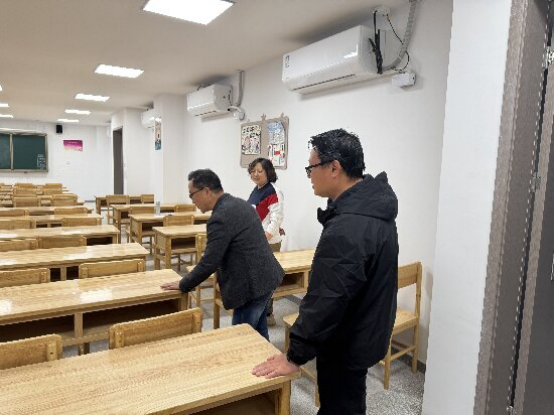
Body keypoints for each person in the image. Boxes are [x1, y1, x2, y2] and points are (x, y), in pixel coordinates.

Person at [252, 129, 399, 414]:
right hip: (366, 329)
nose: (309, 175)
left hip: (347, 340)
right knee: (349, 400)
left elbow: (327, 298)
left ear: (334, 168)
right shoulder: (373, 208)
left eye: (311, 167)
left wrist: (294, 356)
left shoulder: (350, 225)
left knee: (340, 405)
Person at [161, 169, 285, 340]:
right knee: (259, 332)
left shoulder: (220, 217)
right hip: (266, 277)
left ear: (206, 191)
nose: (192, 200)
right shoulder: (240, 204)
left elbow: (210, 261)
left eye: (192, 195)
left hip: (251, 286)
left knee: (240, 339)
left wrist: (184, 283)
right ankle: (267, 355)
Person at [247, 157, 284, 326]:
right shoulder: (256, 190)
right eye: (253, 171)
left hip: (267, 244)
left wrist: (264, 238)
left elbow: (276, 218)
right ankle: (258, 314)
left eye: (259, 171)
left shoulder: (273, 191)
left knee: (266, 281)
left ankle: (268, 315)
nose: (255, 174)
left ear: (268, 172)